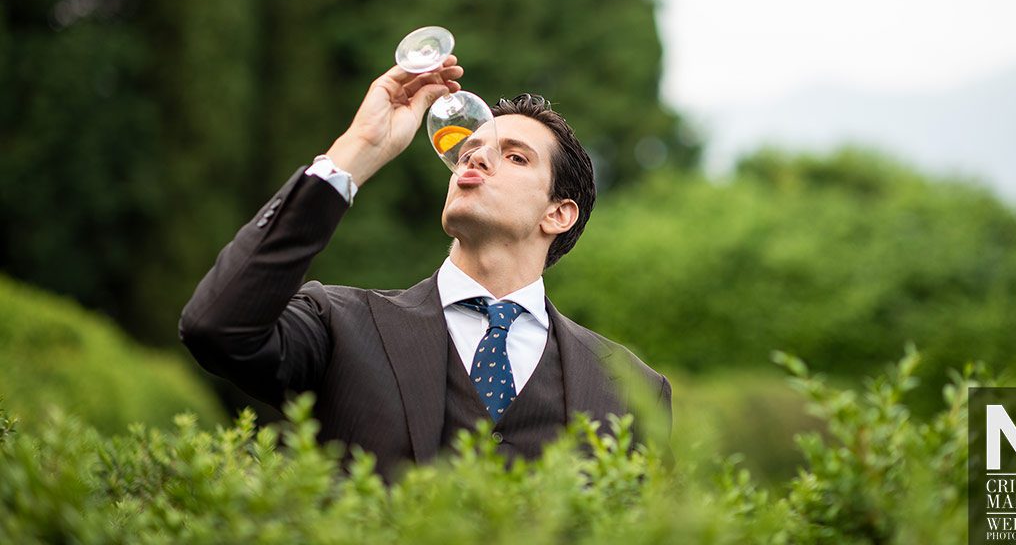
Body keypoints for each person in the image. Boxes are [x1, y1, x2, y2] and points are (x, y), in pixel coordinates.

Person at [179, 54, 672, 484]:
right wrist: (359, 147)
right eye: (468, 150)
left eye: (515, 157)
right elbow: (216, 327)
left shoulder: (634, 388)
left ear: (558, 214)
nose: (475, 159)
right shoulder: (339, 324)